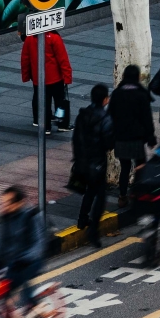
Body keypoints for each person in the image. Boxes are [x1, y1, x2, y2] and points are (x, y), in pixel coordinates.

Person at [0, 186, 46, 318]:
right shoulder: (4, 219)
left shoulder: (31, 216)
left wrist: (25, 259)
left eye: (8, 203)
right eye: (2, 203)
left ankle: (35, 306)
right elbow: (2, 244)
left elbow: (39, 243)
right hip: (15, 261)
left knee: (22, 278)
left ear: (19, 203)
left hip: (34, 259)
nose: (4, 206)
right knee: (4, 288)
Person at [71, 84, 115, 247]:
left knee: (89, 191)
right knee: (100, 196)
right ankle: (93, 231)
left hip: (82, 162)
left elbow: (75, 139)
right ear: (105, 100)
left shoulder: (82, 115)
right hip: (97, 164)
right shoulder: (106, 119)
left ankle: (82, 218)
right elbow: (109, 143)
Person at [108, 66, 156, 209]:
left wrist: (110, 137)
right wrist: (150, 137)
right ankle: (138, 193)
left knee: (125, 167)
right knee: (141, 165)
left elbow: (110, 116)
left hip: (121, 138)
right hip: (137, 138)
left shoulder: (117, 94)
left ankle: (122, 196)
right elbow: (147, 118)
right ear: (137, 77)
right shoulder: (141, 94)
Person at [20, 29, 73, 133]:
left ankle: (45, 127)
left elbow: (25, 58)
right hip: (55, 78)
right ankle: (62, 124)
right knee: (60, 103)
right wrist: (67, 77)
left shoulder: (30, 38)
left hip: (38, 79)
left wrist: (26, 76)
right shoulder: (54, 37)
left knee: (43, 104)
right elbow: (63, 58)